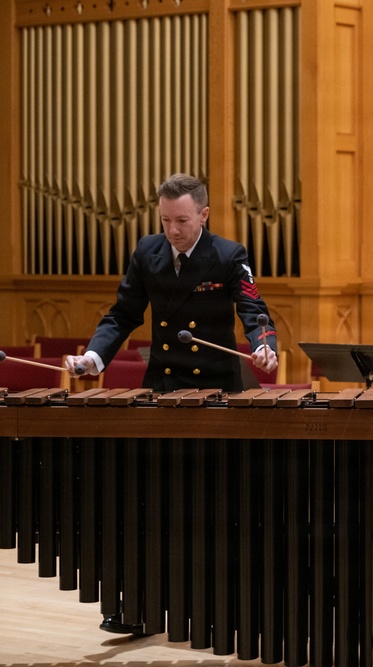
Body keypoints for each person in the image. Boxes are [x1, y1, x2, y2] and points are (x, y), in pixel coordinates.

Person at [65, 172, 279, 634]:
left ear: (203, 214)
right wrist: (94, 356)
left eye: (182, 220)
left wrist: (265, 346)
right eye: (165, 220)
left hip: (219, 393)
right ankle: (140, 604)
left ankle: (224, 604)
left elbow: (254, 311)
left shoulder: (228, 255)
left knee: (218, 503)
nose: (173, 230)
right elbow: (122, 314)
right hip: (163, 388)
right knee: (148, 500)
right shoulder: (148, 252)